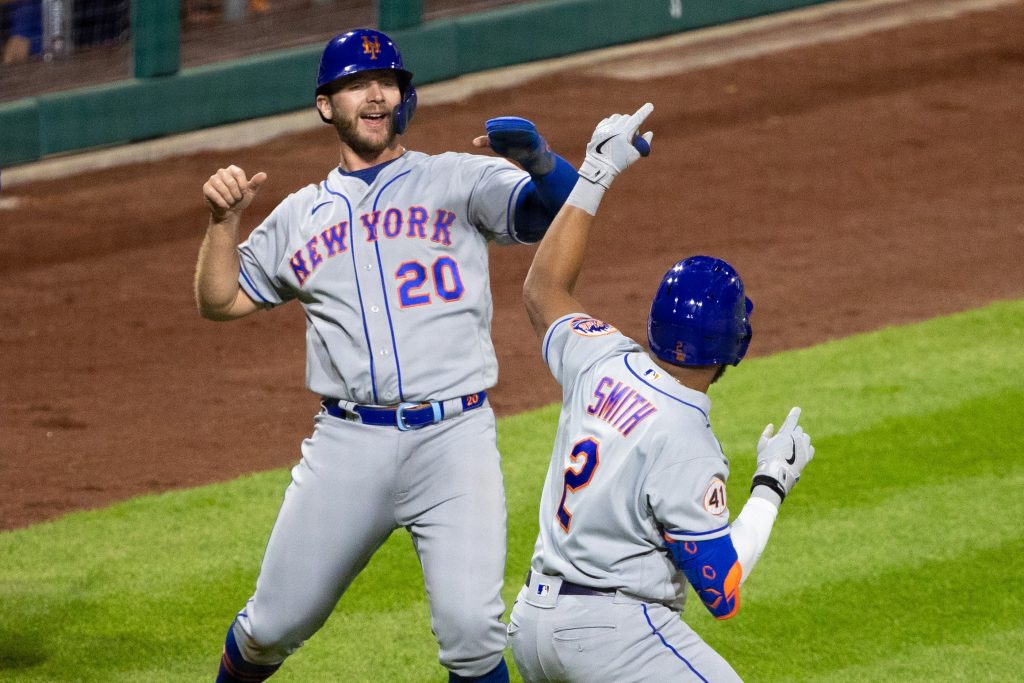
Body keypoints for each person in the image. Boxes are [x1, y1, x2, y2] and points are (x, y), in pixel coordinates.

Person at [195, 28, 581, 683]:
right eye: (356, 84)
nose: (375, 94)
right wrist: (221, 225)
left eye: (388, 82)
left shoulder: (457, 178)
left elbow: (562, 212)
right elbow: (221, 299)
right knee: (272, 626)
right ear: (327, 105)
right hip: (348, 445)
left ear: (405, 97)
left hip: (454, 439)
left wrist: (543, 162)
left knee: (473, 633)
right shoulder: (299, 216)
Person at [509, 103, 815, 682]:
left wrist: (596, 174)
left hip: (531, 625)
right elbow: (721, 591)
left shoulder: (600, 357)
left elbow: (543, 286)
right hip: (610, 638)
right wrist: (772, 485)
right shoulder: (687, 440)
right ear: (733, 346)